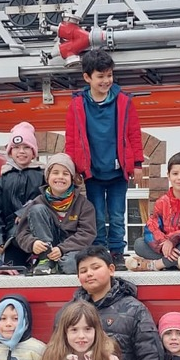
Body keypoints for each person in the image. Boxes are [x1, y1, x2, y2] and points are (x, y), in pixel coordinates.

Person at [64, 50, 145, 259]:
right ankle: (100, 252)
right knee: (97, 215)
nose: (106, 80)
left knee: (118, 215)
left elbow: (134, 134)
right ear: (87, 77)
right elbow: (72, 138)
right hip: (93, 172)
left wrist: (137, 163)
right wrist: (73, 167)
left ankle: (117, 252)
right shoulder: (77, 105)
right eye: (100, 76)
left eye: (109, 75)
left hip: (118, 172)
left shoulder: (124, 101)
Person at [13, 153, 98, 276]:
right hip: (46, 249)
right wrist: (33, 243)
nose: (60, 177)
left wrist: (62, 249)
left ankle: (55, 263)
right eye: (55, 172)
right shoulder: (37, 202)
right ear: (47, 177)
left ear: (72, 178)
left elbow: (87, 233)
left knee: (71, 265)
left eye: (65, 173)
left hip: (71, 250)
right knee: (37, 210)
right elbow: (22, 233)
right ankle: (45, 260)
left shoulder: (84, 205)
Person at [128, 151, 180, 272]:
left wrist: (172, 240)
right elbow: (151, 226)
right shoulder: (162, 201)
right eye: (175, 174)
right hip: (166, 248)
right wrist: (163, 242)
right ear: (168, 175)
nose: (179, 178)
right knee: (139, 244)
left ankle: (155, 265)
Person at [0, 121, 45, 265]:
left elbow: (47, 199)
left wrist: (24, 212)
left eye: (27, 147)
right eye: (16, 148)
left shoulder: (42, 175)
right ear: (10, 151)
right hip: (11, 239)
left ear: (33, 151)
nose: (21, 151)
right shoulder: (3, 179)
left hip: (39, 237)